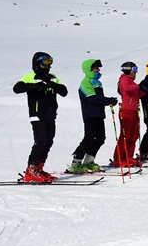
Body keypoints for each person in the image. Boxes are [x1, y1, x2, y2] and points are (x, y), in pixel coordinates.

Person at [13, 52, 68, 182]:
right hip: (37, 114)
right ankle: (31, 170)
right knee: (41, 140)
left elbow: (64, 91)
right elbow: (17, 88)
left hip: (50, 115)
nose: (47, 65)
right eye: (45, 62)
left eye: (49, 62)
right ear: (37, 63)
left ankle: (39, 168)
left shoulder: (52, 77)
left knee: (49, 141)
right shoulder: (32, 76)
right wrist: (35, 86)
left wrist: (51, 84)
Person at [70, 59, 118, 173]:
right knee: (89, 138)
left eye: (98, 68)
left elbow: (99, 98)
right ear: (89, 69)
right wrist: (108, 100)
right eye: (96, 68)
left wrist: (108, 101)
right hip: (90, 114)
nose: (98, 70)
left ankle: (88, 161)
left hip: (99, 114)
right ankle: (76, 163)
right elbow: (92, 98)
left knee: (101, 138)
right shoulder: (86, 82)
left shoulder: (98, 83)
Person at [111, 62, 145, 168]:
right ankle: (118, 158)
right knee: (126, 135)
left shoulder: (131, 82)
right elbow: (127, 88)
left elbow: (136, 95)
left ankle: (128, 156)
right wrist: (138, 86)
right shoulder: (124, 79)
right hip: (127, 110)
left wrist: (143, 90)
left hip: (134, 110)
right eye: (134, 69)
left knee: (134, 134)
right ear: (127, 70)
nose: (135, 72)